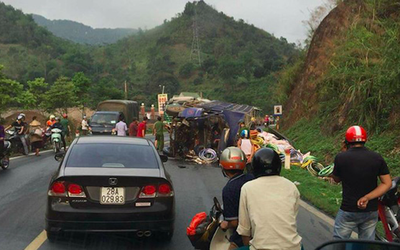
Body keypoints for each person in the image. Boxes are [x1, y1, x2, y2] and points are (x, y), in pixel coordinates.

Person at [332, 126, 392, 240]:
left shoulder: (341, 157)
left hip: (348, 209)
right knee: (366, 244)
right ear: (365, 140)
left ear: (346, 141)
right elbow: (387, 183)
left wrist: (343, 152)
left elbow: (336, 179)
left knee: (339, 243)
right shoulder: (377, 157)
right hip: (370, 210)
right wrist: (367, 197)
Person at [237, 148, 302, 250]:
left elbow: (245, 230)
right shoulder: (291, 186)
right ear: (278, 166)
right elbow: (292, 217)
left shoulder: (247, 188)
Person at [219, 147, 254, 250]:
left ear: (223, 167)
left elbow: (235, 222)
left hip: (245, 236)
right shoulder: (251, 178)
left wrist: (226, 224)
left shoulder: (228, 189)